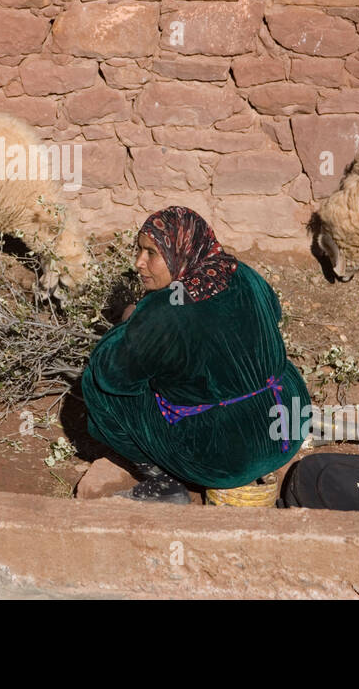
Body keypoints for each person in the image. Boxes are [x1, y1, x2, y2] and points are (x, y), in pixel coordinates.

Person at [82, 207, 310, 504]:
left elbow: (112, 377)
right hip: (290, 422)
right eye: (138, 250)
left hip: (226, 459)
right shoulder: (242, 274)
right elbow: (273, 314)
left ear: (181, 252)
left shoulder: (164, 310)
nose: (138, 263)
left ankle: (164, 483)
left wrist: (130, 323)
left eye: (151, 253)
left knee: (95, 385)